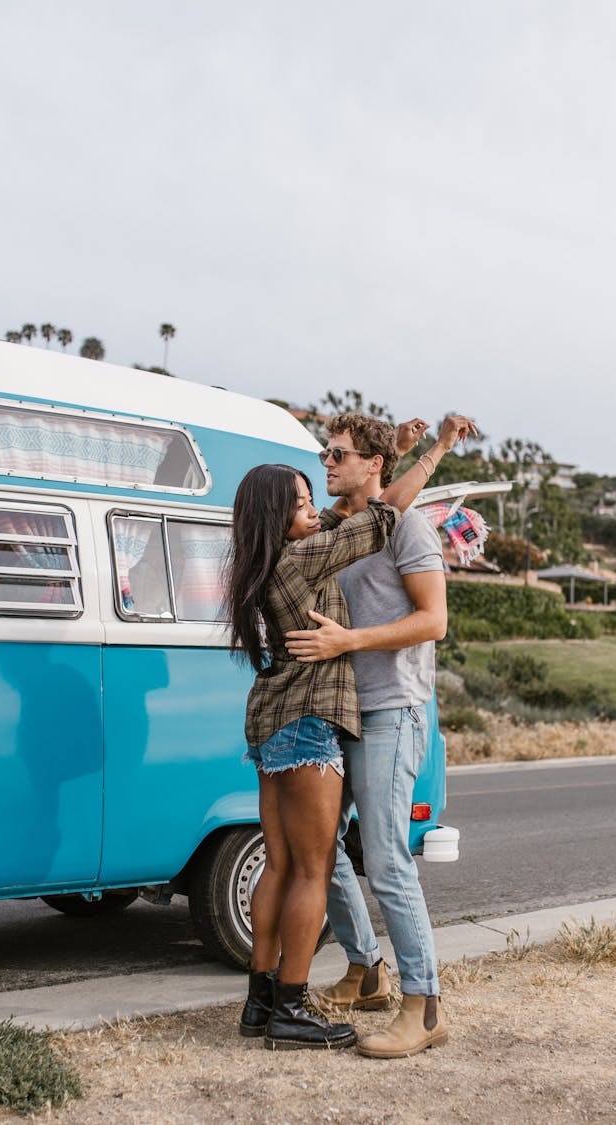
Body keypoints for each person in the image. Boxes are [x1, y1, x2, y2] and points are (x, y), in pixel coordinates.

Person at [226, 436, 458, 1052]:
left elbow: (362, 518)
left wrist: (401, 452)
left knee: (280, 864)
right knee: (314, 868)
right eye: (302, 503)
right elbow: (381, 516)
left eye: (334, 461)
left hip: (272, 720)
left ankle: (263, 998)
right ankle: (294, 1008)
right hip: (309, 722)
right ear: (280, 516)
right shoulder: (305, 557)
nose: (316, 508)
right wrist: (432, 455)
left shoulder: (273, 552)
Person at [284, 412, 476, 1059]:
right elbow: (386, 490)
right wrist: (405, 449)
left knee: (389, 858)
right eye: (324, 451)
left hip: (395, 708)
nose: (326, 461)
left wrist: (349, 640)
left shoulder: (409, 528)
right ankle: (366, 969)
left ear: (369, 465)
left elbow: (434, 620)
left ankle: (423, 1007)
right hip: (344, 711)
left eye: (337, 453)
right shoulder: (345, 526)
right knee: (322, 846)